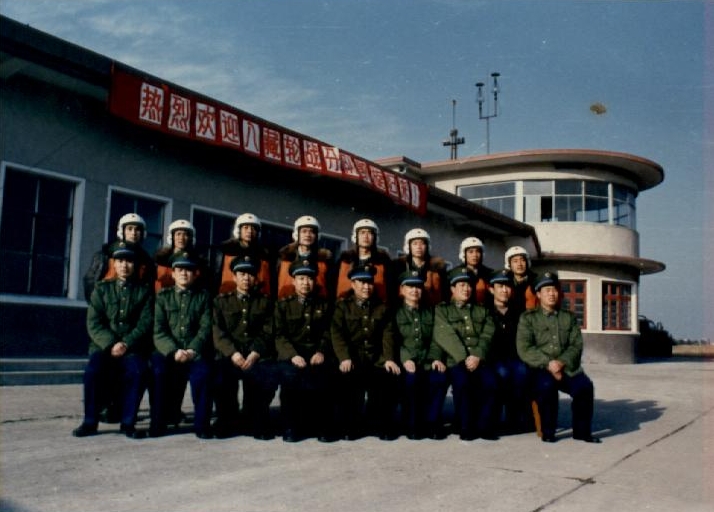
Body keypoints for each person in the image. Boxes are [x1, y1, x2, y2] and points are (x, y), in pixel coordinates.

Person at [72, 242, 152, 439]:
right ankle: (90, 422)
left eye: (129, 261)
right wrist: (111, 344)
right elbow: (94, 322)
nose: (124, 265)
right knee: (93, 370)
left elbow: (145, 323)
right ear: (113, 265)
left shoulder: (144, 291)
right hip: (103, 347)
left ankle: (128, 423)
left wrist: (126, 343)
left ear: (135, 265)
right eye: (120, 261)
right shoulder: (101, 289)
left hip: (131, 348)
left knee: (138, 371)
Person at [516, 271, 601, 444]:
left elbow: (576, 345)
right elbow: (524, 348)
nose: (551, 294)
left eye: (554, 289)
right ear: (538, 294)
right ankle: (549, 432)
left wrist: (561, 363)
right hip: (541, 368)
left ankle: (582, 432)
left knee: (585, 387)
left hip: (566, 367)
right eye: (546, 290)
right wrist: (549, 364)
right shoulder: (528, 319)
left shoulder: (568, 318)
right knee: (546, 386)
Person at [331, 264, 401, 440]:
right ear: (353, 284)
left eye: (369, 282)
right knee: (348, 383)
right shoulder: (342, 307)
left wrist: (389, 359)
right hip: (352, 359)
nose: (366, 286)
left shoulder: (381, 307)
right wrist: (344, 358)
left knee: (387, 378)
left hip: (375, 359)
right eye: (361, 282)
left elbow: (388, 334)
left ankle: (380, 425)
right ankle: (350, 425)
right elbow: (337, 334)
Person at [212, 255, 278, 439]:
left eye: (250, 274)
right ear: (234, 277)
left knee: (266, 377)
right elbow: (218, 331)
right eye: (241, 273)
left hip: (256, 356)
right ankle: (227, 419)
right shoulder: (221, 301)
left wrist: (255, 353)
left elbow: (268, 330)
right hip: (230, 356)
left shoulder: (265, 302)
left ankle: (254, 419)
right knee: (220, 379)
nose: (246, 278)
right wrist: (233, 353)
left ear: (255, 277)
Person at [150, 251, 213, 439]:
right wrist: (174, 351)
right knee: (158, 373)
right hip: (168, 352)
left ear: (195, 274)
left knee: (204, 374)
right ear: (173, 273)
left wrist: (193, 350)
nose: (184, 273)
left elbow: (205, 328)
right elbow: (159, 330)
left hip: (195, 352)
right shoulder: (163, 297)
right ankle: (159, 423)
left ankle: (202, 425)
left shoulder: (203, 297)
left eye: (189, 270)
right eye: (180, 269)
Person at [274, 259, 336, 442]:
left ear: (315, 281)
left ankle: (321, 426)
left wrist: (322, 351)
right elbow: (279, 335)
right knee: (291, 379)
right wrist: (292, 355)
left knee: (325, 377)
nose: (305, 282)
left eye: (309, 278)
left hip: (317, 353)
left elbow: (328, 331)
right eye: (301, 278)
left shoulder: (324, 305)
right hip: (292, 354)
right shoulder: (283, 305)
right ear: (293, 281)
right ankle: (290, 426)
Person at [434, 266, 498, 441]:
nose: (466, 289)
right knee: (462, 383)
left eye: (469, 285)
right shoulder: (443, 310)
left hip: (480, 359)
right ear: (452, 289)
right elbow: (445, 334)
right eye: (461, 285)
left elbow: (488, 333)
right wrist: (463, 358)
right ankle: (465, 425)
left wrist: (477, 354)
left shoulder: (482, 310)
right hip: (456, 360)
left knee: (491, 383)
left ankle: (483, 426)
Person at [392, 271, 449, 440]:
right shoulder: (395, 312)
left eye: (418, 286)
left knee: (439, 377)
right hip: (405, 361)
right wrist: (405, 359)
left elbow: (436, 338)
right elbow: (393, 339)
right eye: (410, 286)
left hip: (427, 359)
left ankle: (431, 423)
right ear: (402, 289)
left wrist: (435, 358)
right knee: (410, 380)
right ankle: (412, 424)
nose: (414, 290)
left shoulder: (429, 311)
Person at [487, 268, 532, 434]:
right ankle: (495, 417)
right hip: (492, 358)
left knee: (521, 372)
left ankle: (514, 417)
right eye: (500, 286)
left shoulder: (519, 312)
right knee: (503, 373)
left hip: (515, 356)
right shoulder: (485, 311)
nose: (504, 290)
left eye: (507, 286)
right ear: (492, 289)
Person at [83, 212, 156, 302]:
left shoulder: (146, 261)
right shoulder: (105, 255)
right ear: (122, 231)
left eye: (137, 230)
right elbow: (90, 281)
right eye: (129, 229)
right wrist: (96, 306)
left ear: (142, 233)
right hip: (108, 307)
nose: (133, 233)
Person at [335, 218, 393, 305]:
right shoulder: (344, 260)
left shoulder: (383, 262)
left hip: (376, 308)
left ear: (375, 237)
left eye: (369, 233)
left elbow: (390, 289)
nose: (366, 236)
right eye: (362, 232)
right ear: (355, 236)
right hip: (346, 309)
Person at [275, 215, 332, 300]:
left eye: (312, 232)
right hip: (286, 306)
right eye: (304, 231)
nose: (308, 235)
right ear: (296, 234)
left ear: (317, 236)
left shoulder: (324, 260)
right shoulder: (284, 258)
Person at [216, 213, 271, 296]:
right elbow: (217, 276)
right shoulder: (227, 251)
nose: (249, 231)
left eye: (253, 228)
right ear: (239, 230)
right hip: (229, 298)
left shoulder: (264, 255)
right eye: (246, 227)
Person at [392, 228, 447, 306]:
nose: (419, 247)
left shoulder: (437, 269)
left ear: (427, 246)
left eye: (422, 243)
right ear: (408, 246)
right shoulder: (398, 266)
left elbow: (443, 293)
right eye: (415, 243)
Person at [154, 219, 208, 293]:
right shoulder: (161, 259)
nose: (181, 238)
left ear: (190, 238)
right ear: (172, 237)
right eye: (178, 234)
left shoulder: (197, 261)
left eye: (185, 234)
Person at [453, 237, 493, 307]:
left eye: (478, 251)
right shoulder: (454, 273)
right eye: (471, 251)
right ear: (463, 254)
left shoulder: (490, 274)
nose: (475, 255)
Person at [504, 245, 537, 314]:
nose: (519, 264)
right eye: (515, 261)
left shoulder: (537, 281)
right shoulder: (504, 282)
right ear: (509, 265)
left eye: (522, 260)